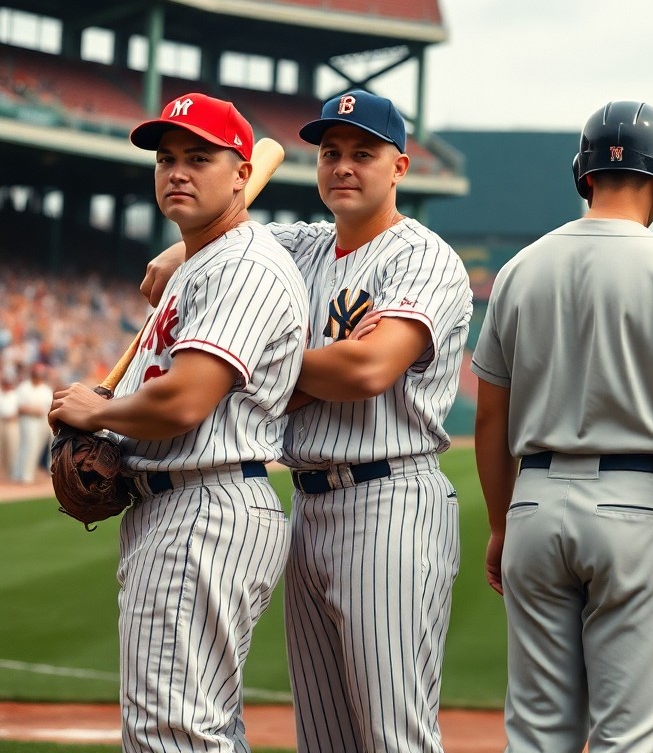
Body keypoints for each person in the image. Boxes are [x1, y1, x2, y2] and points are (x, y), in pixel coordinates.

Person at [143, 89, 472, 753]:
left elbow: (368, 370)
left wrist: (257, 358)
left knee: (393, 734)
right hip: (309, 503)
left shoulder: (424, 256)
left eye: (363, 153)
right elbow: (223, 238)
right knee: (323, 737)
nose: (343, 166)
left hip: (391, 501)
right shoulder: (301, 246)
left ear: (400, 168)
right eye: (329, 153)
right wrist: (182, 252)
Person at [472, 100, 653, 751]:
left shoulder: (519, 269)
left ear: (582, 174)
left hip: (534, 506)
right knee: (632, 737)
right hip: (636, 507)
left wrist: (503, 524)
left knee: (537, 735)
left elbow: (487, 418)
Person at [48, 92, 308, 752]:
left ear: (243, 174)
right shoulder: (205, 263)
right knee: (197, 729)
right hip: (189, 504)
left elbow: (186, 400)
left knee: (172, 734)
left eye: (199, 157)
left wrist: (96, 411)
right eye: (167, 159)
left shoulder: (243, 266)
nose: (178, 172)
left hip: (203, 504)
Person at [15, 363, 53, 483]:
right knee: (29, 445)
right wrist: (32, 410)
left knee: (38, 447)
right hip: (28, 420)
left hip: (43, 420)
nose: (38, 376)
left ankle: (27, 473)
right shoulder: (24, 387)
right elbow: (19, 408)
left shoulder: (46, 389)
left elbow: (50, 406)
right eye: (37, 374)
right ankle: (24, 475)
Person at [0, 373, 18, 481]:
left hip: (12, 423)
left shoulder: (15, 395)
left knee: (12, 448)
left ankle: (12, 474)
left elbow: (20, 410)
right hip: (1, 423)